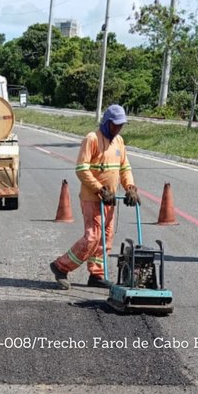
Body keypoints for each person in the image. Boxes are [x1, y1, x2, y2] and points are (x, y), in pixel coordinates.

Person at [49, 104, 141, 290]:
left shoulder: (119, 142)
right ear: (107, 122)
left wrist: (130, 188)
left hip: (110, 199)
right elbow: (82, 169)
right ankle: (61, 266)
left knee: (105, 238)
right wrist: (99, 189)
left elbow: (125, 168)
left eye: (121, 125)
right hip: (92, 198)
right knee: (92, 237)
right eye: (116, 124)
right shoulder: (92, 139)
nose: (119, 128)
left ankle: (97, 274)